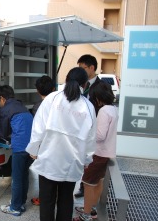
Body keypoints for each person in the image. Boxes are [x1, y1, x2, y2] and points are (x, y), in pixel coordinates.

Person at [26, 67, 96, 221]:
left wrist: (34, 149)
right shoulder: (88, 107)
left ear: (66, 80)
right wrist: (87, 160)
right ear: (84, 85)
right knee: (66, 200)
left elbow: (38, 127)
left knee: (46, 201)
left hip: (48, 160)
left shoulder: (52, 98)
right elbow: (91, 139)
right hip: (72, 163)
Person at [73, 80, 119, 221]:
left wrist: (85, 132)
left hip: (98, 153)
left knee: (87, 183)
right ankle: (92, 209)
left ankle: (86, 214)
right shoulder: (113, 109)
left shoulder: (104, 111)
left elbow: (99, 135)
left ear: (98, 97)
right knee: (97, 182)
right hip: (106, 153)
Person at [0, 85, 34, 217]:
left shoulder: (6, 109)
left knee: (16, 178)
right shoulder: (22, 106)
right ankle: (21, 203)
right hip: (31, 148)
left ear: (2, 98)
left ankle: (15, 208)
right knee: (24, 175)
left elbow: (4, 132)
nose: (0, 105)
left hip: (20, 148)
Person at [75, 54, 100, 198]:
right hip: (78, 129)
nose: (81, 72)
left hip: (92, 130)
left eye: (83, 68)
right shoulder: (78, 85)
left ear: (92, 68)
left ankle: (86, 188)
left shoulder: (101, 86)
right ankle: (82, 185)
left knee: (89, 160)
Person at [30, 75, 55, 206]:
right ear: (54, 88)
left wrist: (34, 150)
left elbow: (37, 131)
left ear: (37, 91)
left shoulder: (37, 107)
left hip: (44, 147)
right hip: (59, 146)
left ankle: (43, 199)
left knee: (45, 177)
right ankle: (53, 198)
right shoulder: (61, 104)